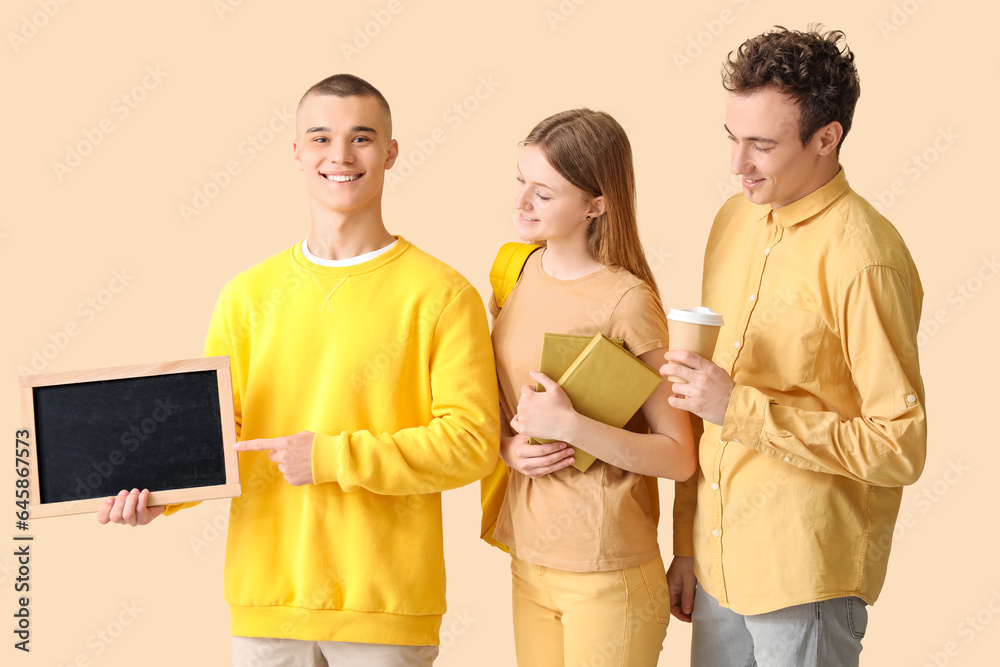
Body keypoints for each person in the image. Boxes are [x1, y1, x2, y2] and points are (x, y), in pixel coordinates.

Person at [97, 74, 500, 667]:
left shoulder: (441, 295)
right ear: (296, 152)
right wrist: (165, 494)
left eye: (361, 138)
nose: (340, 155)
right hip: (265, 600)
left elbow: (471, 445)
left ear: (390, 152)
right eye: (321, 138)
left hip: (383, 608)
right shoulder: (246, 295)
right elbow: (218, 429)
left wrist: (330, 457)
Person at [660, 26, 927, 667]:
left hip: (803, 576)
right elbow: (705, 394)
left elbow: (900, 447)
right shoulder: (733, 220)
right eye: (732, 138)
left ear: (826, 138)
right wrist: (689, 544)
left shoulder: (865, 259)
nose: (737, 164)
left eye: (762, 145)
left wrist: (742, 408)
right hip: (719, 564)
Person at [483, 108, 696, 666]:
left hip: (608, 570)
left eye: (544, 193)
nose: (521, 203)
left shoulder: (628, 301)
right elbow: (501, 409)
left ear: (596, 204)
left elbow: (679, 456)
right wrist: (509, 448)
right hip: (527, 556)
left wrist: (571, 426)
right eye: (520, 182)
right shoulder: (513, 271)